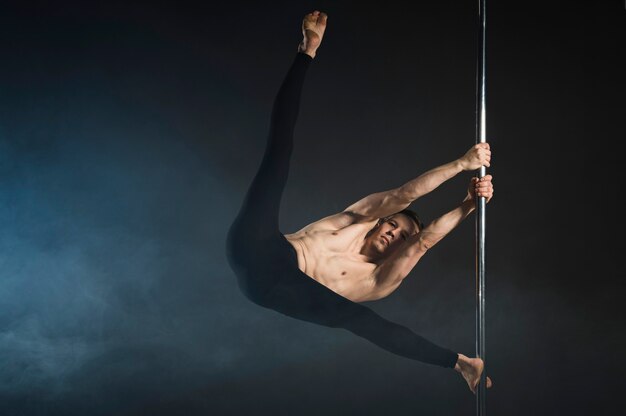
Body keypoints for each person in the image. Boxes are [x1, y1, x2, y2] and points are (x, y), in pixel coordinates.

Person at [226, 11, 493, 393]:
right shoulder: (353, 221)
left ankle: (459, 364)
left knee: (361, 321)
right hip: (257, 247)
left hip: (283, 289)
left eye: (400, 238)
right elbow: (406, 194)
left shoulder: (376, 280)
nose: (394, 235)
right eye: (394, 225)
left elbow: (425, 241)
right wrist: (462, 164)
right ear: (382, 221)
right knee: (277, 156)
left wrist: (468, 204)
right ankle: (306, 52)